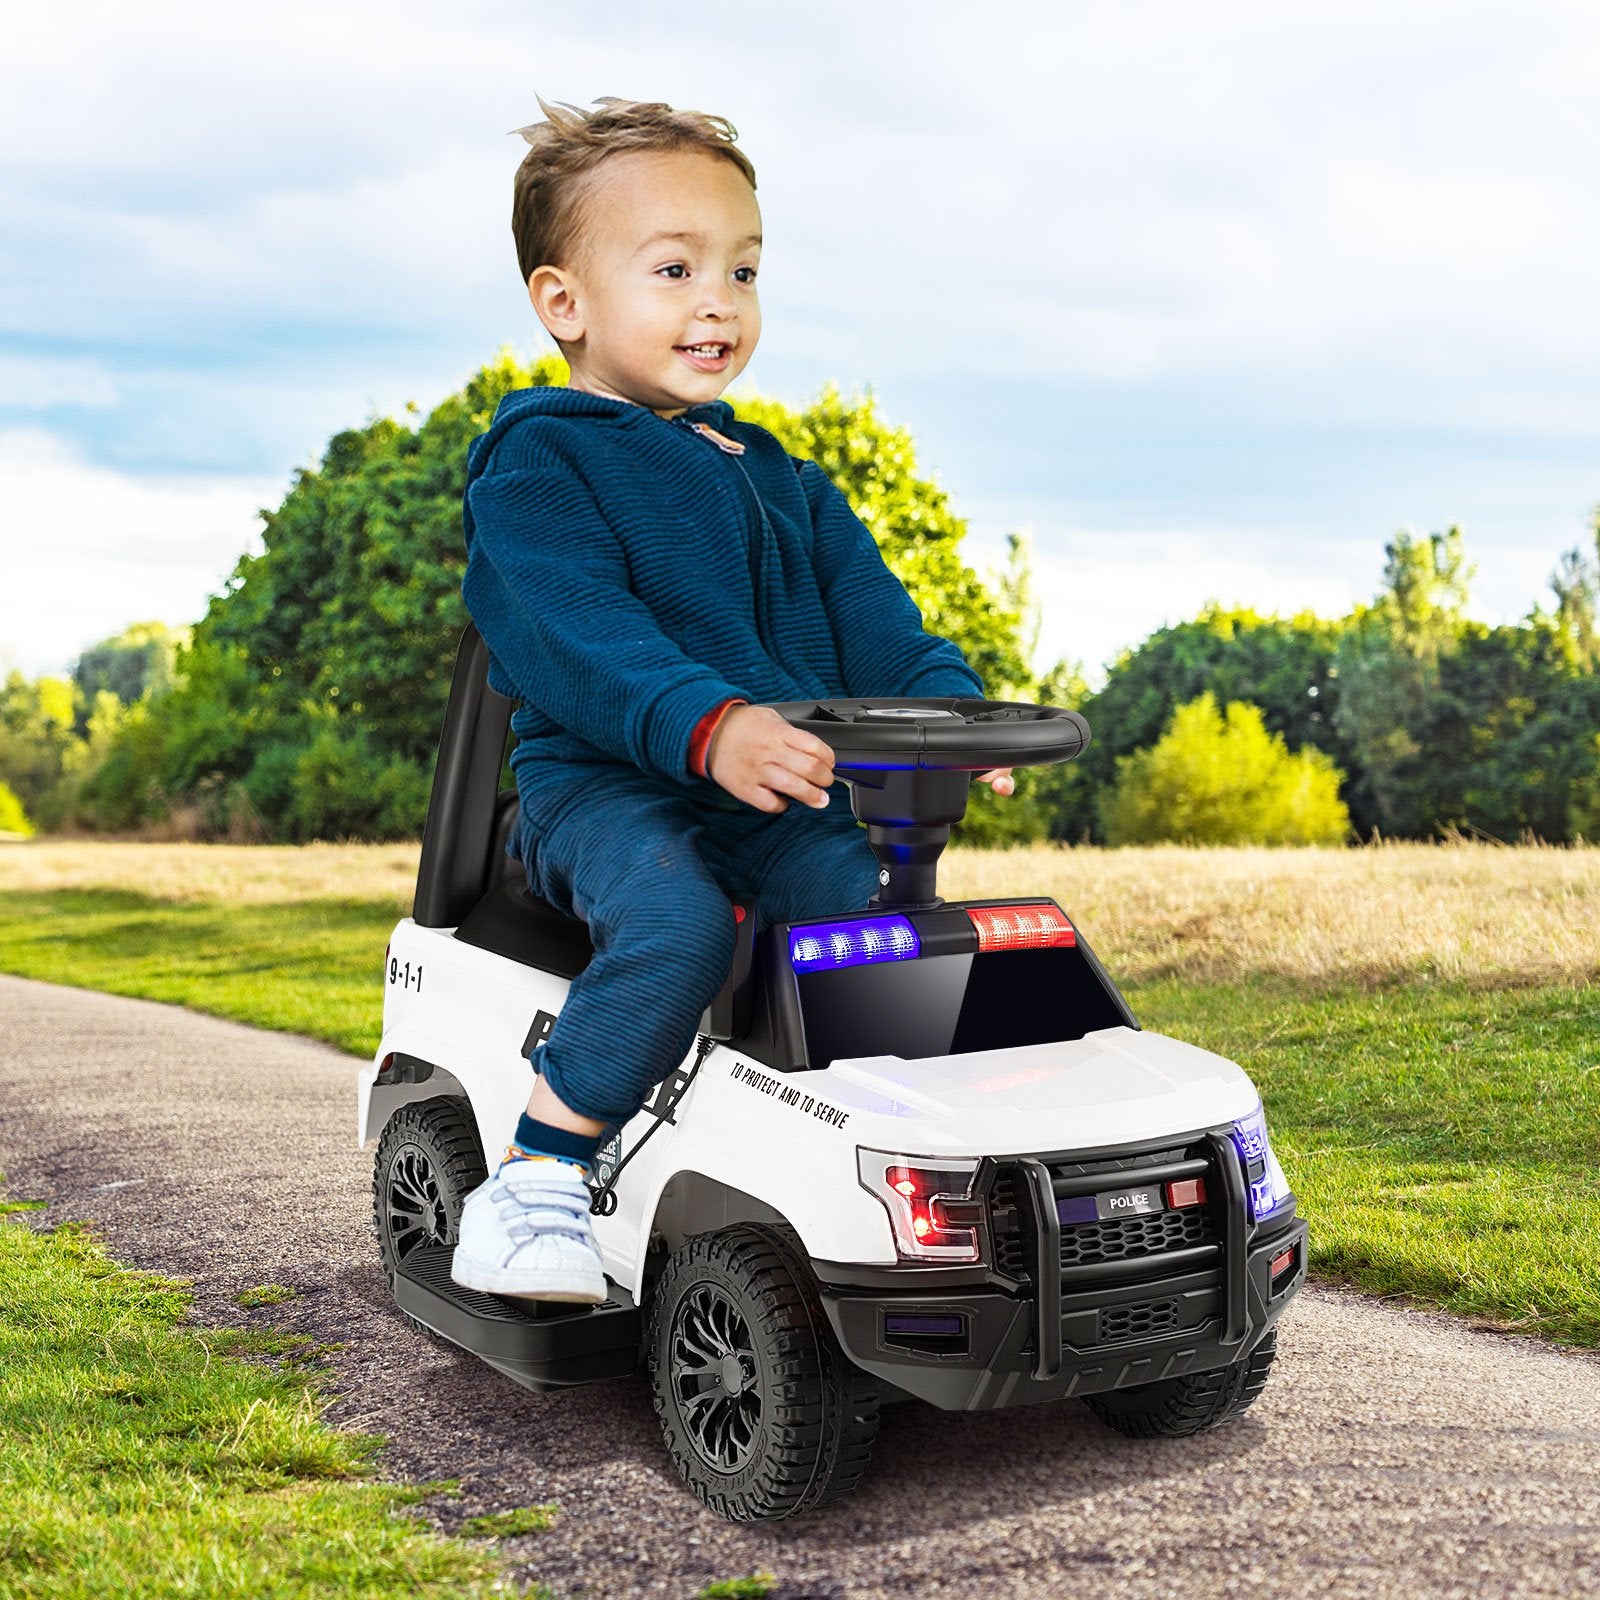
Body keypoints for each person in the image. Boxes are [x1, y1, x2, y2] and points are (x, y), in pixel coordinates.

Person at [450, 96, 1014, 1302]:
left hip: (770, 788)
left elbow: (880, 625)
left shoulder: (783, 480)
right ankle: (538, 1178)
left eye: (742, 270)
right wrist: (708, 725)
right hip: (607, 790)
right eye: (674, 269)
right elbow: (579, 638)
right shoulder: (538, 464)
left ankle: (872, 1162)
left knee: (871, 916)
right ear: (564, 304)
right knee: (680, 927)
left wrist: (950, 712)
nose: (719, 301)